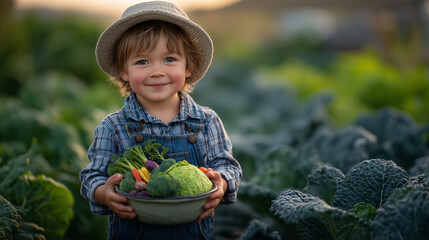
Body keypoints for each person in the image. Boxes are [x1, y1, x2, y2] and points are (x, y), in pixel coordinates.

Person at [79, 1, 242, 239]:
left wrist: (222, 183)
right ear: (124, 71)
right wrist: (103, 192)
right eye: (142, 62)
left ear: (188, 66)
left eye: (170, 59)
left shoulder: (207, 121)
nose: (157, 71)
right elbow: (91, 176)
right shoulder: (112, 127)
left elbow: (228, 166)